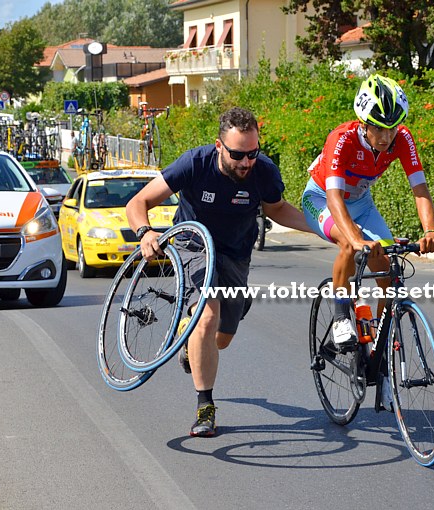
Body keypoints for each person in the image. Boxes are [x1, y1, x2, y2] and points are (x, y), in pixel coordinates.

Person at [127, 107, 311, 437]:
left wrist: (326, 230)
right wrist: (145, 233)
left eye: (252, 153)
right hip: (192, 245)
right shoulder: (194, 164)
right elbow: (138, 203)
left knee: (221, 338)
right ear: (219, 146)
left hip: (236, 253)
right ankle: (205, 406)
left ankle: (193, 337)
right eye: (238, 154)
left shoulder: (263, 170)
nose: (246, 162)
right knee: (207, 316)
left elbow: (278, 209)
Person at [302, 74, 434, 349]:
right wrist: (355, 239)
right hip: (321, 199)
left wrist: (431, 231)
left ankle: (382, 336)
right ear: (364, 124)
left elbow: (420, 189)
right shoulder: (341, 139)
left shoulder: (402, 138)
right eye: (378, 128)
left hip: (361, 204)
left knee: (388, 266)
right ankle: (342, 316)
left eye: (392, 128)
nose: (386, 137)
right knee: (347, 242)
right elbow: (333, 197)